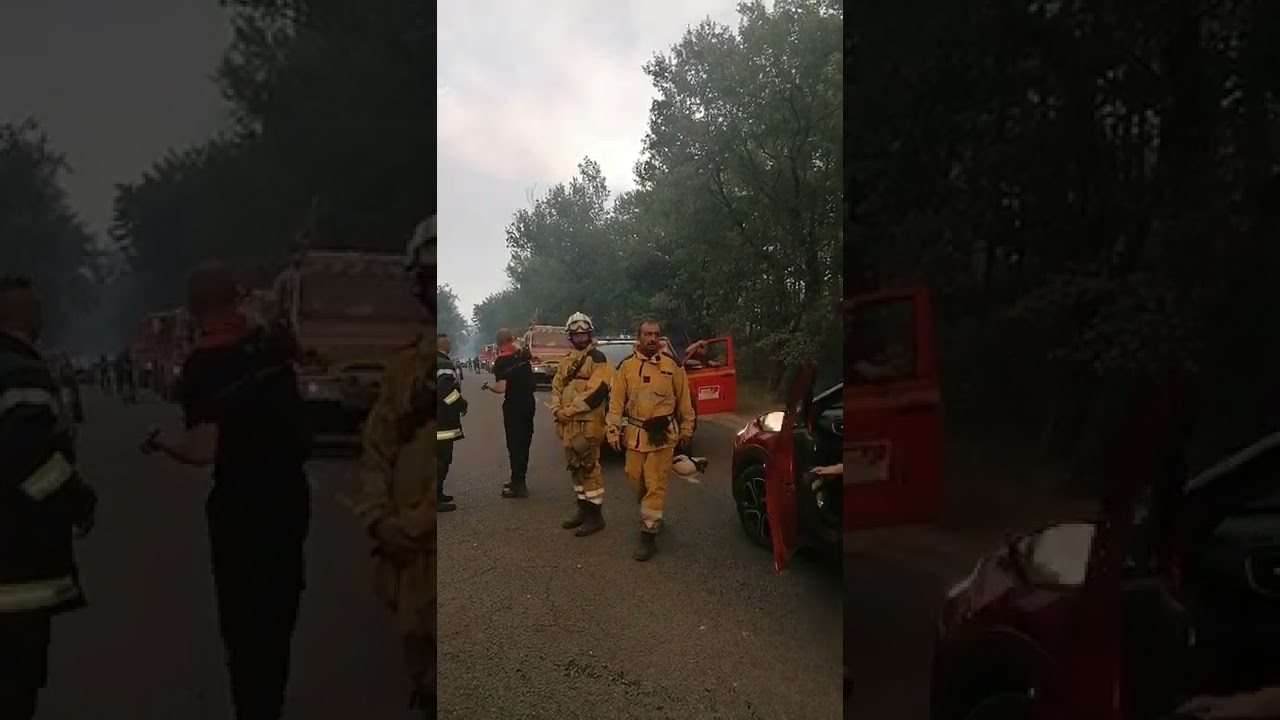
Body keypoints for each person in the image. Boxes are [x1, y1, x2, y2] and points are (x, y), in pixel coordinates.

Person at [140, 262, 311, 720]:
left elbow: (203, 449)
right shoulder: (274, 351)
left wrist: (162, 443)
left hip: (241, 506)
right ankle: (271, 699)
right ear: (239, 298)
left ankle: (254, 709)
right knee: (280, 612)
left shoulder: (204, 365)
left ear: (195, 309)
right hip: (291, 498)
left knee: (243, 619)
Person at [0, 276, 97, 719]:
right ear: (30, 318)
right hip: (15, 556)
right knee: (17, 679)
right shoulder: (21, 372)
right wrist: (76, 498)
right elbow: (29, 463)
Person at [351, 216, 437, 718]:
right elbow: (376, 451)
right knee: (423, 680)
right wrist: (378, 519)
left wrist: (412, 526)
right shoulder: (404, 370)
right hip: (407, 563)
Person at [606, 319, 695, 561]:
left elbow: (684, 401)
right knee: (635, 479)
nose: (652, 338)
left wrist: (687, 429)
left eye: (656, 334)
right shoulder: (625, 367)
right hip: (635, 435)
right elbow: (615, 403)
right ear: (639, 337)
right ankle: (651, 512)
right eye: (647, 334)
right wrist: (612, 430)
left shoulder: (672, 366)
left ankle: (649, 535)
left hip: (663, 436)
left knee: (656, 485)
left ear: (660, 338)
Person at [548, 312, 612, 535]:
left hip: (588, 424)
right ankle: (582, 510)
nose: (580, 337)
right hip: (568, 425)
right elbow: (556, 388)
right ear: (570, 336)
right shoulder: (566, 361)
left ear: (590, 333)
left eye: (583, 333)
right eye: (576, 334)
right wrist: (557, 410)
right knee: (575, 467)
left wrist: (568, 411)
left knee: (589, 467)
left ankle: (595, 516)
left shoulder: (598, 359)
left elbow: (597, 392)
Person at [482, 328, 536, 498]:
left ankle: (518, 485)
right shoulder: (523, 356)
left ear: (498, 343)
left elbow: (501, 388)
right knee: (524, 443)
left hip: (514, 405)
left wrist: (487, 386)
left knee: (514, 444)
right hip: (529, 403)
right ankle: (518, 479)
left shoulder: (502, 361)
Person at [435, 333, 464, 512]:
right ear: (445, 346)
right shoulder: (444, 364)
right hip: (443, 421)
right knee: (442, 459)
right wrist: (461, 403)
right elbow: (445, 392)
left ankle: (438, 493)